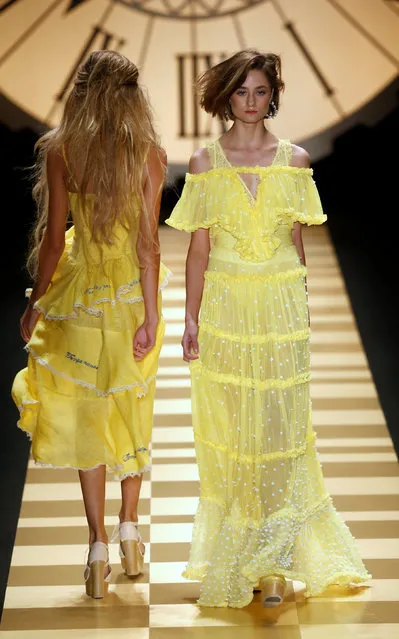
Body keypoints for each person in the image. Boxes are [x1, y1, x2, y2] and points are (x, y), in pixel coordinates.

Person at [166, 49, 370, 609]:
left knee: (281, 432)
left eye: (260, 92)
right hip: (228, 311)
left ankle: (276, 560)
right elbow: (198, 249)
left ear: (272, 95)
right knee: (235, 433)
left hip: (279, 310)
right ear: (226, 98)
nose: (251, 102)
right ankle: (247, 551)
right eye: (241, 92)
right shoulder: (204, 164)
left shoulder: (296, 161)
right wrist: (188, 318)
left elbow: (298, 244)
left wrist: (303, 314)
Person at [12, 50, 170, 599]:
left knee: (87, 417)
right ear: (132, 98)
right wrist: (151, 315)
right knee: (131, 407)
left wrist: (35, 303)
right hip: (128, 294)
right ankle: (131, 531)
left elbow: (55, 241)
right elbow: (149, 246)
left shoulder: (62, 150)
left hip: (79, 297)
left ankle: (98, 546)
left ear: (81, 92)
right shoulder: (149, 154)